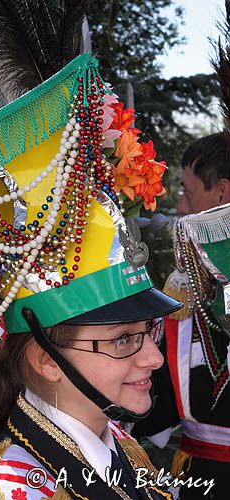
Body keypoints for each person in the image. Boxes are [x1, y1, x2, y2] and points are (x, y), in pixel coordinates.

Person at [0, 2, 183, 498]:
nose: (153, 357)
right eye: (125, 339)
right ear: (43, 358)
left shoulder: (124, 449)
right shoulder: (11, 490)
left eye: (147, 332)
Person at [134, 132, 230, 500]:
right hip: (199, 479)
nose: (181, 207)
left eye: (188, 192)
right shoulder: (187, 285)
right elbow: (160, 404)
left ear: (221, 193)